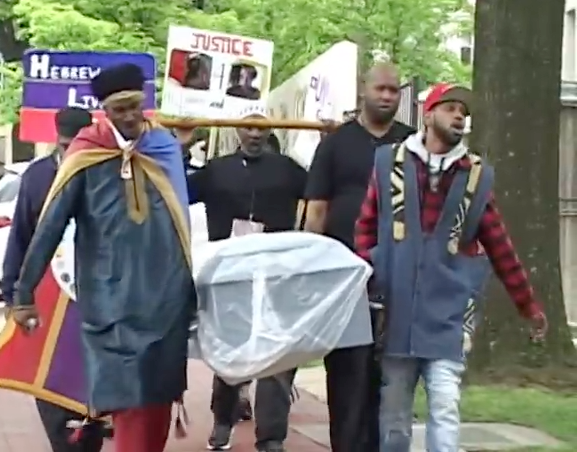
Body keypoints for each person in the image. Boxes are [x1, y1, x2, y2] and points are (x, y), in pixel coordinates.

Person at [10, 63, 196, 452]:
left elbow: (181, 223)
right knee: (126, 401)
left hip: (165, 300)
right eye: (118, 109)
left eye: (133, 106)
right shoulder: (86, 153)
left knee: (158, 399)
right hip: (110, 303)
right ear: (104, 111)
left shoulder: (162, 147)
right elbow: (50, 224)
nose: (128, 116)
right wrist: (24, 293)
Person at [354, 83, 548, 452]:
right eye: (450, 108)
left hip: (448, 315)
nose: (460, 116)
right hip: (396, 314)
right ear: (428, 115)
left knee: (445, 407)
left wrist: (529, 305)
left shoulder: (475, 176)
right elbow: (365, 227)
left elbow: (500, 246)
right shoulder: (389, 162)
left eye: (464, 111)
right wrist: (369, 271)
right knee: (394, 416)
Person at [303, 63, 414, 452]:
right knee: (348, 375)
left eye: (394, 90)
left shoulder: (411, 144)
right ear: (363, 90)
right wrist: (311, 272)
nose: (387, 96)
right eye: (380, 88)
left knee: (391, 377)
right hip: (344, 280)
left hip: (399, 277)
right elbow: (316, 209)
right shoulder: (335, 143)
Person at [184, 104, 306, 452]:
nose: (254, 134)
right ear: (237, 130)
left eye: (261, 128)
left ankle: (271, 435)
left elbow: (323, 188)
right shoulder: (216, 171)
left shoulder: (286, 169)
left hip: (276, 274)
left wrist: (330, 139)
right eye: (247, 127)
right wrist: (179, 143)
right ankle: (224, 419)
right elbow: (175, 188)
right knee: (231, 354)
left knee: (278, 355)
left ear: (270, 131)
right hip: (229, 275)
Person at [1, 107, 105, 452]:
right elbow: (21, 236)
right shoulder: (36, 176)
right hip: (47, 290)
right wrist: (15, 294)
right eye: (64, 145)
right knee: (47, 372)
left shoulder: (106, 174)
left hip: (95, 294)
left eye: (79, 146)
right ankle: (63, 441)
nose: (71, 153)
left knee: (89, 373)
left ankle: (87, 435)